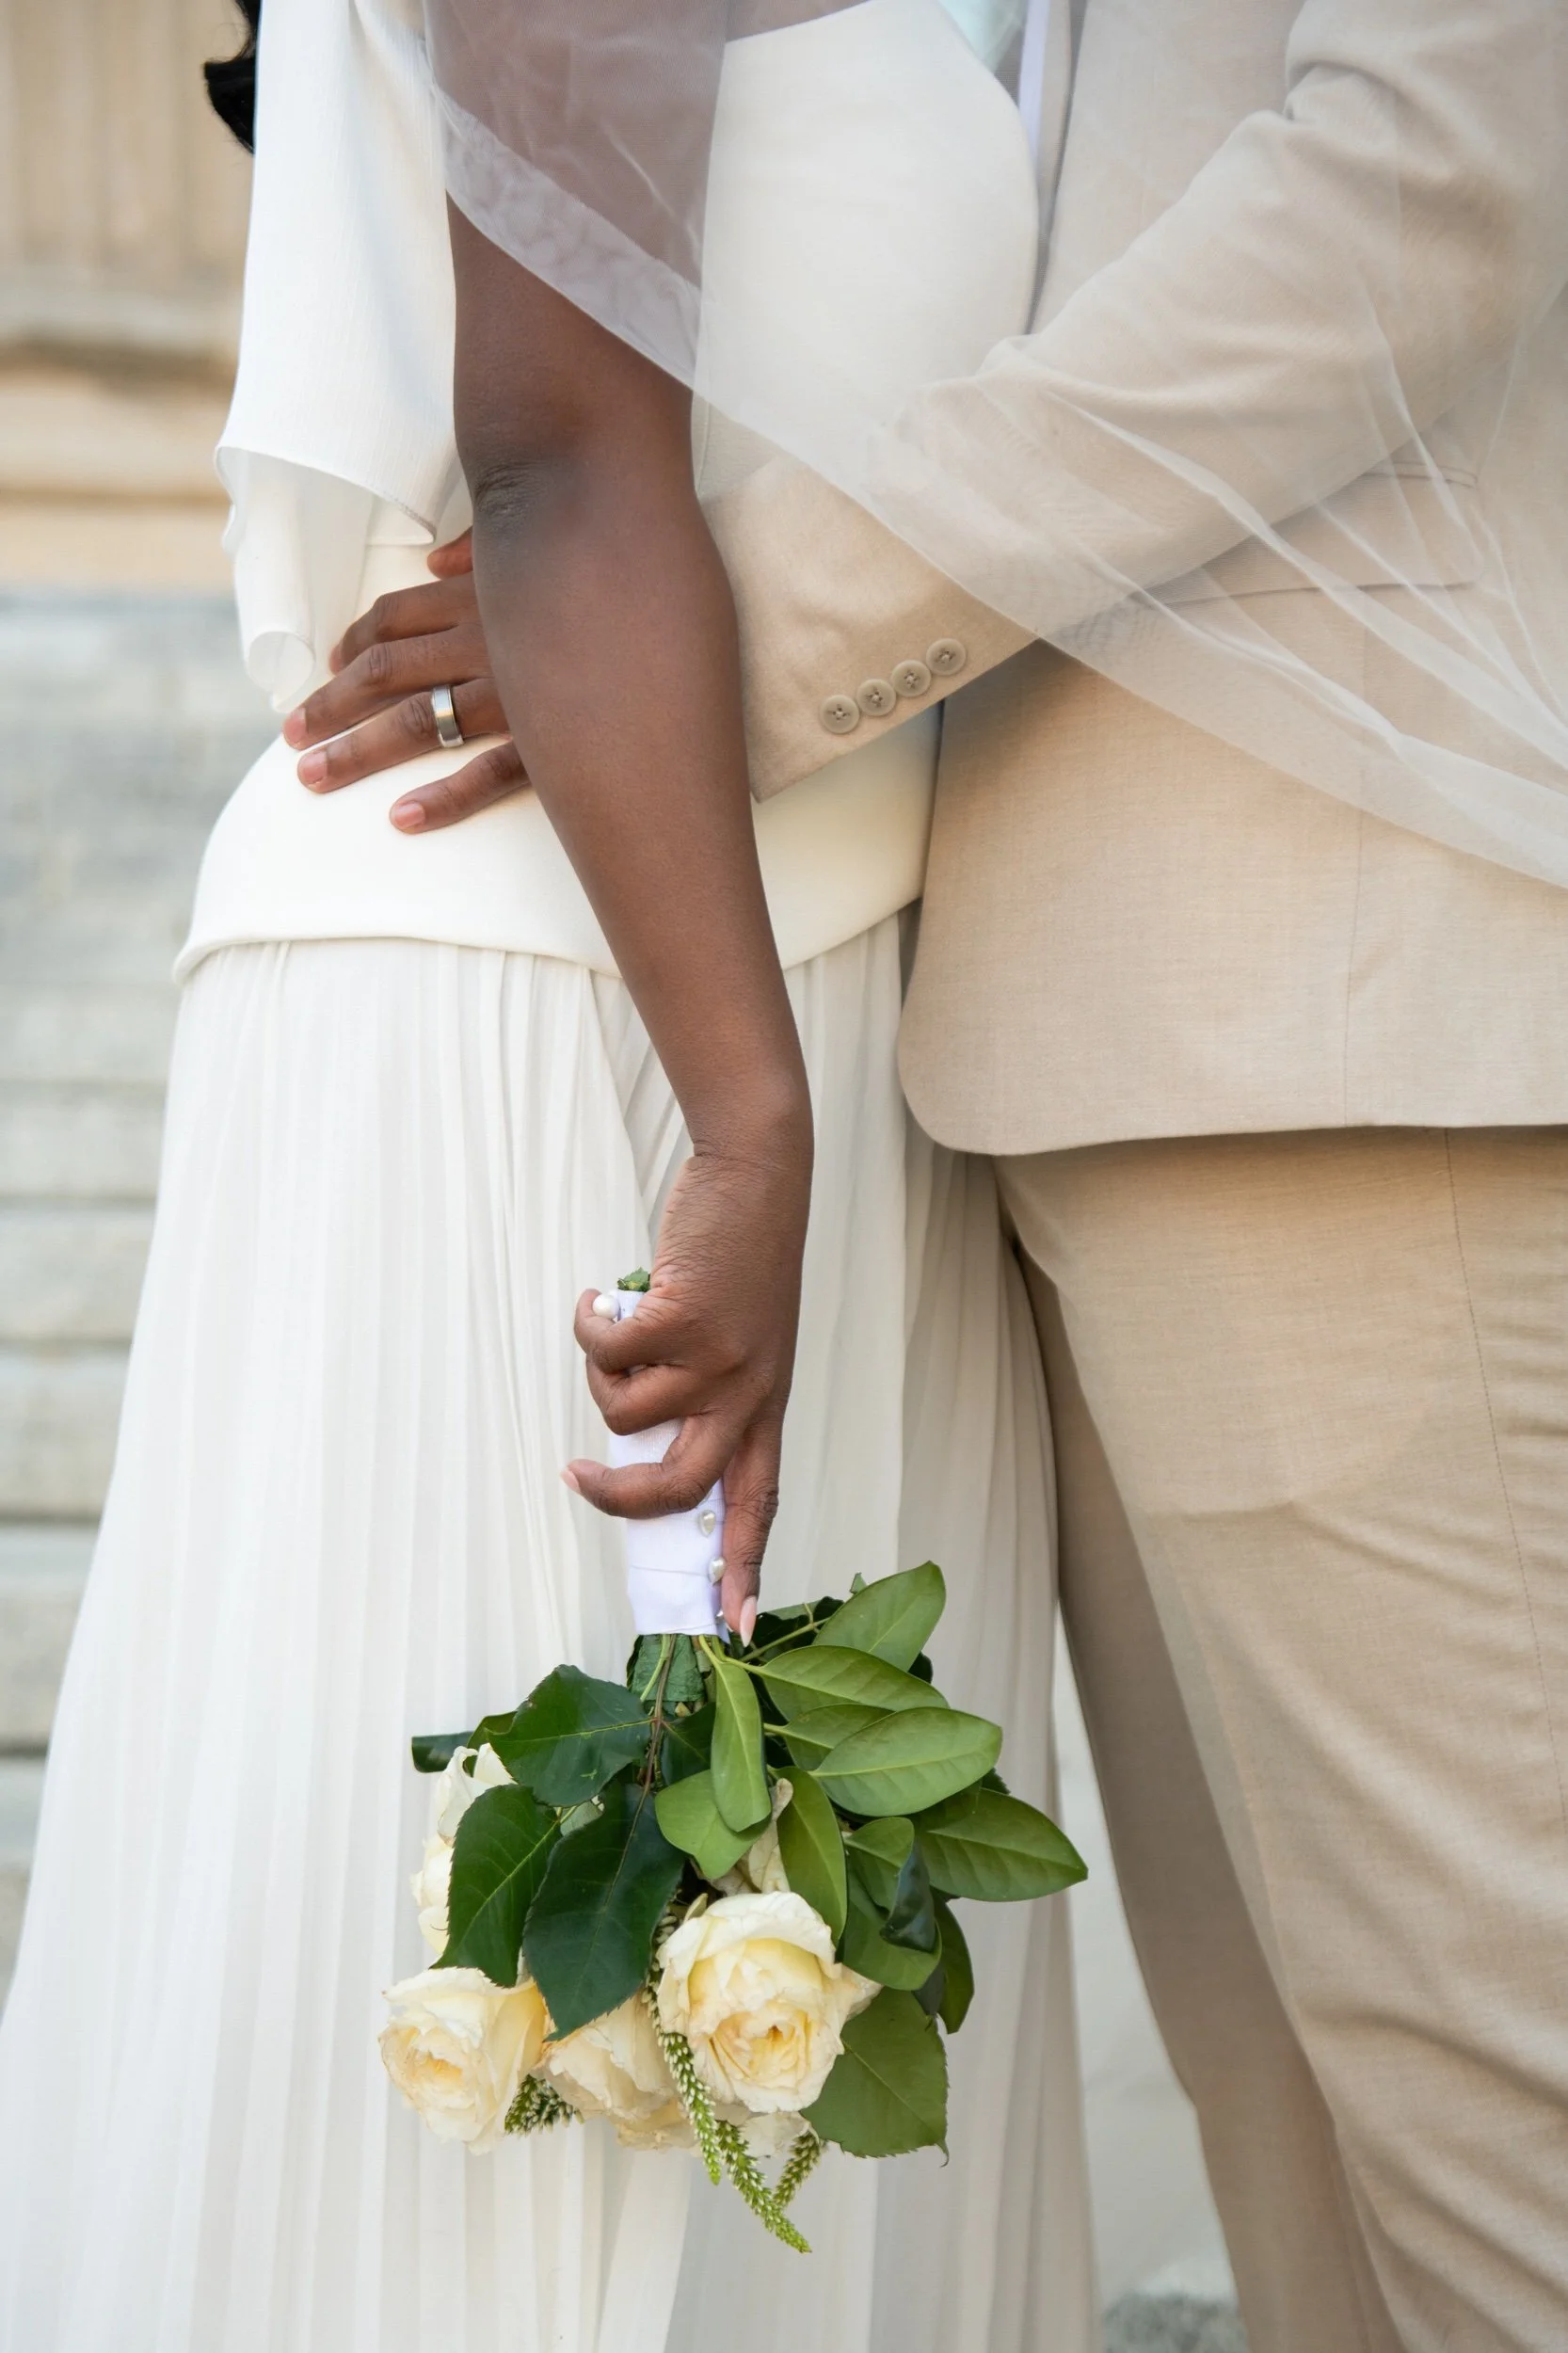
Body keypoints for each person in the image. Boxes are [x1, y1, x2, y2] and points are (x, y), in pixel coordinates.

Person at [318, 2, 1568, 2348]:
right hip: (1066, 1019)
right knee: (1321, 2191)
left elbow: (1424, 172)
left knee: (1510, 2156)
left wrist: (697, 640)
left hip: (1351, 1013)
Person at [0, 5, 1107, 2352]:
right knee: (496, 2131)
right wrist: (748, 1126)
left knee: (756, 2120)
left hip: (777, 990)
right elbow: (563, 460)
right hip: (576, 1039)